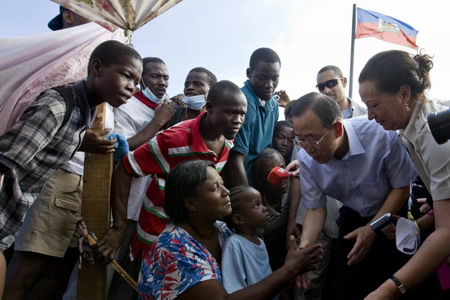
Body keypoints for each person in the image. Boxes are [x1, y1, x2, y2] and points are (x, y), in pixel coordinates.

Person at [0, 40, 142, 299]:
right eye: (126, 75)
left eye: (136, 81)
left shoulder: (84, 113)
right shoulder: (57, 106)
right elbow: (4, 160)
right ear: (96, 67)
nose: (132, 87)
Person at [93, 80, 248, 264]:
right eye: (230, 112)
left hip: (189, 240)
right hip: (157, 238)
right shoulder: (173, 139)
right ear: (210, 108)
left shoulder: (228, 139)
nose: (238, 120)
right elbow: (125, 168)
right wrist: (119, 228)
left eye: (242, 114)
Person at [138, 159, 323, 299]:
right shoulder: (174, 248)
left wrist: (296, 257)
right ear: (191, 203)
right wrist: (288, 270)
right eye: (215, 188)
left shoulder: (220, 229)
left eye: (222, 183)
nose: (226, 192)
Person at [293, 92, 415, 300]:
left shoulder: (379, 135)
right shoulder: (305, 158)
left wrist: (372, 229)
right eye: (301, 139)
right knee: (345, 287)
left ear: (337, 128)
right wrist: (304, 251)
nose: (308, 148)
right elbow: (315, 208)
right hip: (352, 217)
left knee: (394, 282)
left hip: (392, 213)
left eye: (313, 138)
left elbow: (401, 188)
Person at [358, 50, 450, 299]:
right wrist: (417, 226)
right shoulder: (412, 129)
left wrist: (388, 290)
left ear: (404, 93)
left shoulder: (433, 136)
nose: (369, 116)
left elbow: (447, 232)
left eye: (374, 105)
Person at [109, 57, 175, 300]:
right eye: (155, 76)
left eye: (166, 77)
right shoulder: (127, 105)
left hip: (147, 210)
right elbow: (120, 150)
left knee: (129, 274)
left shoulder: (166, 110)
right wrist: (157, 122)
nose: (162, 82)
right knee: (103, 268)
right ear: (141, 79)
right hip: (123, 204)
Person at [225, 47, 281, 187]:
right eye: (262, 78)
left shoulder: (273, 104)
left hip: (259, 185)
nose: (269, 85)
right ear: (249, 73)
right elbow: (236, 159)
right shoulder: (243, 102)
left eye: (275, 78)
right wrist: (247, 202)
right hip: (239, 186)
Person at [221, 185, 273, 294]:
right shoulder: (234, 244)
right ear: (239, 219)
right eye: (256, 205)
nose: (264, 208)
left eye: (262, 203)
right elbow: (233, 287)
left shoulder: (260, 242)